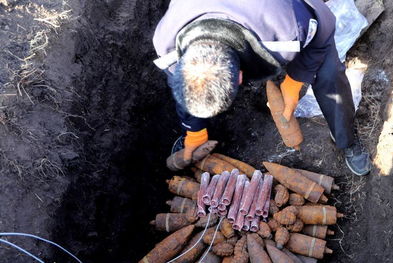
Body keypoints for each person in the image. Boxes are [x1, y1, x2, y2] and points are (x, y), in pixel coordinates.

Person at [152, 0, 372, 176]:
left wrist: (295, 81)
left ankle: (347, 139)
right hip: (218, 13)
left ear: (240, 78)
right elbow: (187, 90)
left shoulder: (285, 30)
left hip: (273, 11)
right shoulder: (167, 46)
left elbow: (324, 24)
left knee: (329, 74)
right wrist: (195, 131)